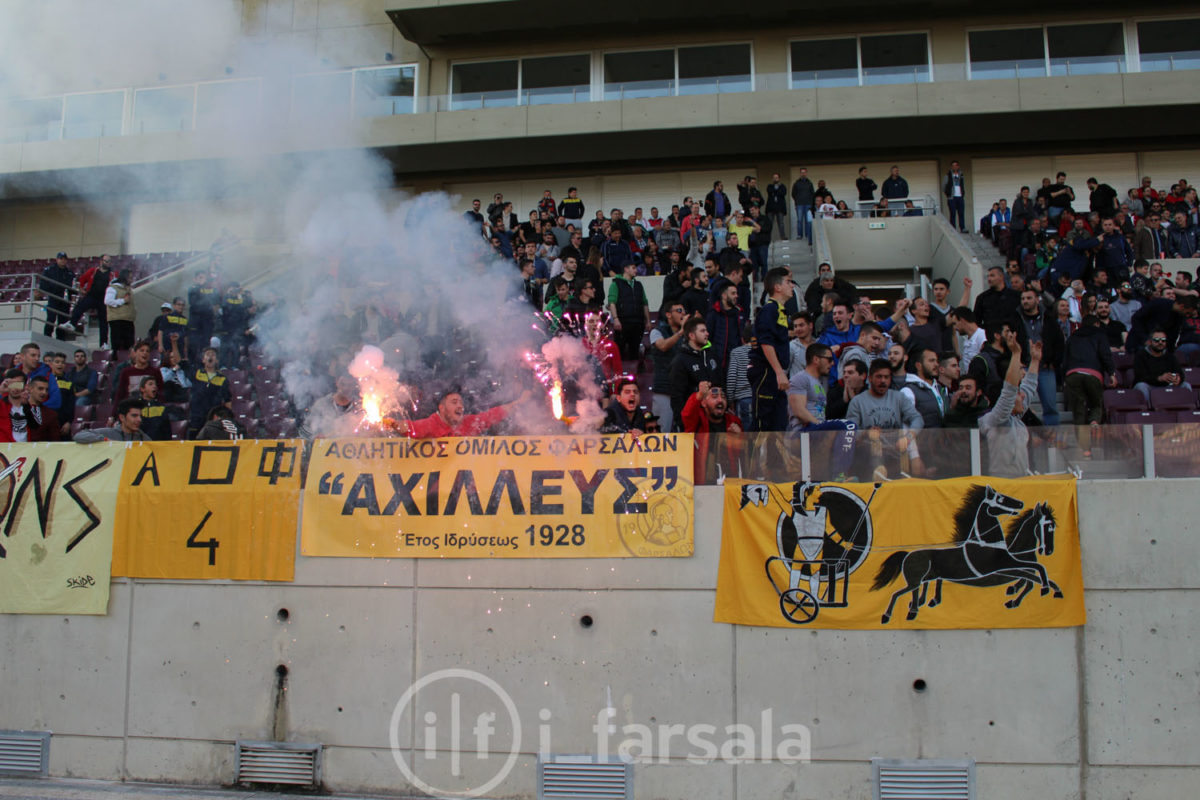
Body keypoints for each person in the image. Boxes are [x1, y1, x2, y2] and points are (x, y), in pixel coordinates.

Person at [845, 359, 923, 478]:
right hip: (868, 457)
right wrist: (866, 432)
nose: (883, 381)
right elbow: (850, 432)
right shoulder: (857, 402)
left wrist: (908, 438)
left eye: (886, 377)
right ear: (870, 378)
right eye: (879, 377)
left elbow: (917, 419)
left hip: (896, 454)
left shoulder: (898, 397)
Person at [787, 343, 856, 476]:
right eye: (829, 359)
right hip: (803, 431)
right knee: (848, 425)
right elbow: (798, 411)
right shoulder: (800, 378)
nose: (832, 364)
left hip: (816, 429)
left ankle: (837, 474)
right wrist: (822, 425)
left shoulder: (818, 382)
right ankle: (839, 475)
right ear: (816, 359)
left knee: (847, 431)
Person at [977, 334, 1041, 477]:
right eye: (1018, 393)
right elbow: (1009, 390)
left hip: (1020, 482)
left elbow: (1029, 388)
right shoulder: (995, 420)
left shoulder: (1015, 418)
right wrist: (1016, 354)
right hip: (999, 484)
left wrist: (1035, 360)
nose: (1023, 396)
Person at [1063, 315, 1117, 457]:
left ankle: (1084, 449)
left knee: (1079, 411)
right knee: (1096, 404)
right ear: (1097, 324)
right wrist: (1111, 373)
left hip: (1073, 374)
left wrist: (1064, 377)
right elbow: (1105, 355)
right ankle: (1094, 420)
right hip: (1093, 374)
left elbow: (1064, 359)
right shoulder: (1100, 335)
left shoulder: (1072, 337)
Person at [749, 268, 794, 432]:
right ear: (777, 287)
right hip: (767, 372)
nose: (792, 286)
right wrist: (778, 372)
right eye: (788, 282)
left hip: (775, 373)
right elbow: (765, 342)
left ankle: (774, 458)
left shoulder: (780, 311)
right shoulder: (769, 310)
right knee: (762, 424)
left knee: (779, 425)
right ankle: (752, 458)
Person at [393, 388, 531, 438]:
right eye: (454, 402)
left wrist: (519, 402)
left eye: (460, 403)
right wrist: (392, 424)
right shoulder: (432, 424)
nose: (460, 406)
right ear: (442, 408)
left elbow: (491, 415)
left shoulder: (468, 423)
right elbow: (411, 428)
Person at [669, 317, 721, 431]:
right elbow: (677, 396)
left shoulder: (712, 355)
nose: (707, 333)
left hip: (714, 419)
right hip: (693, 421)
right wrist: (682, 423)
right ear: (691, 335)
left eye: (706, 330)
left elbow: (720, 383)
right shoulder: (680, 361)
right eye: (702, 331)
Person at [61, 254, 113, 344]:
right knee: (80, 306)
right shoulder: (93, 271)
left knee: (103, 322)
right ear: (101, 261)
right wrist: (81, 289)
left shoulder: (112, 274)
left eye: (109, 261)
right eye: (106, 261)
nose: (108, 263)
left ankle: (103, 343)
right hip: (92, 296)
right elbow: (82, 280)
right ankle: (72, 323)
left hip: (104, 299)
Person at [607, 261, 650, 363]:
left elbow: (645, 303)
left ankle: (634, 374)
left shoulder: (638, 285)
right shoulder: (616, 283)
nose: (636, 270)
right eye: (633, 268)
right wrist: (616, 319)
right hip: (623, 321)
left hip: (638, 322)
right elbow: (612, 302)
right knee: (620, 350)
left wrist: (647, 320)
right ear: (626, 269)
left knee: (634, 351)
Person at [1132, 328, 1189, 405]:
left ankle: (1187, 410)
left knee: (1186, 385)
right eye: (1156, 340)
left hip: (1167, 386)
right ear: (1149, 342)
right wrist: (1159, 378)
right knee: (1141, 386)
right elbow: (1140, 376)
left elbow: (1179, 372)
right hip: (1150, 386)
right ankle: (1148, 409)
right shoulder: (1141, 355)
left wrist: (1178, 378)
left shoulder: (1170, 356)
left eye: (1163, 340)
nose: (1160, 342)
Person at [188, 346, 233, 437]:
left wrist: (227, 418)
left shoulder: (222, 379)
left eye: (213, 355)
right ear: (203, 360)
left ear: (216, 360)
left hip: (213, 417)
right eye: (208, 355)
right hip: (196, 416)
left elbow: (227, 400)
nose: (210, 357)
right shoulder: (197, 373)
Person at [74, 397, 150, 443]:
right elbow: (78, 436)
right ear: (122, 417)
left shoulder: (143, 437)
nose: (139, 420)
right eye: (134, 416)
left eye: (140, 416)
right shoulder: (109, 432)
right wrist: (105, 440)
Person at [38, 252, 75, 340]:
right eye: (61, 258)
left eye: (64, 259)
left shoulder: (69, 272)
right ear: (57, 259)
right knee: (51, 318)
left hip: (65, 300)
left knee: (63, 321)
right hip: (53, 298)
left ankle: (61, 339)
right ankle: (47, 337)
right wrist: (52, 290)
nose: (63, 261)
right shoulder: (49, 270)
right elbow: (43, 284)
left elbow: (73, 287)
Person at [105, 269, 137, 352]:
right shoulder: (113, 288)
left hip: (128, 320)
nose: (131, 280)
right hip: (117, 320)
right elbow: (107, 301)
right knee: (117, 345)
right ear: (124, 278)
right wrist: (123, 301)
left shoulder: (128, 289)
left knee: (129, 345)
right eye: (129, 278)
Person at [791, 168, 815, 242]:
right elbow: (793, 194)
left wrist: (811, 203)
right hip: (799, 204)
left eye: (804, 172)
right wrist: (797, 201)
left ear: (806, 173)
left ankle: (808, 235)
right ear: (800, 173)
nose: (803, 174)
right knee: (799, 220)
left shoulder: (809, 183)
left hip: (808, 204)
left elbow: (812, 194)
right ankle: (799, 235)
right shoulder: (796, 183)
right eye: (802, 172)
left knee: (808, 220)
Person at [944, 161, 967, 232]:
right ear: (951, 167)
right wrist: (948, 194)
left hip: (960, 197)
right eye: (953, 165)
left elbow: (962, 185)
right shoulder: (947, 176)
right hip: (952, 198)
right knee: (953, 213)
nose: (954, 167)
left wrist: (963, 193)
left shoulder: (961, 175)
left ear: (958, 166)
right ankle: (953, 228)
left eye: (956, 165)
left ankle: (962, 228)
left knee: (961, 213)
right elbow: (943, 186)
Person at [765, 172, 789, 241]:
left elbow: (783, 193)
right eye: (774, 177)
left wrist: (775, 191)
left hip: (780, 208)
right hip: (771, 208)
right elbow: (770, 191)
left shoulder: (782, 186)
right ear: (772, 178)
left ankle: (783, 236)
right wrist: (776, 191)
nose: (775, 179)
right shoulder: (769, 186)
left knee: (781, 223)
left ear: (779, 178)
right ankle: (768, 237)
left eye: (777, 177)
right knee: (770, 223)